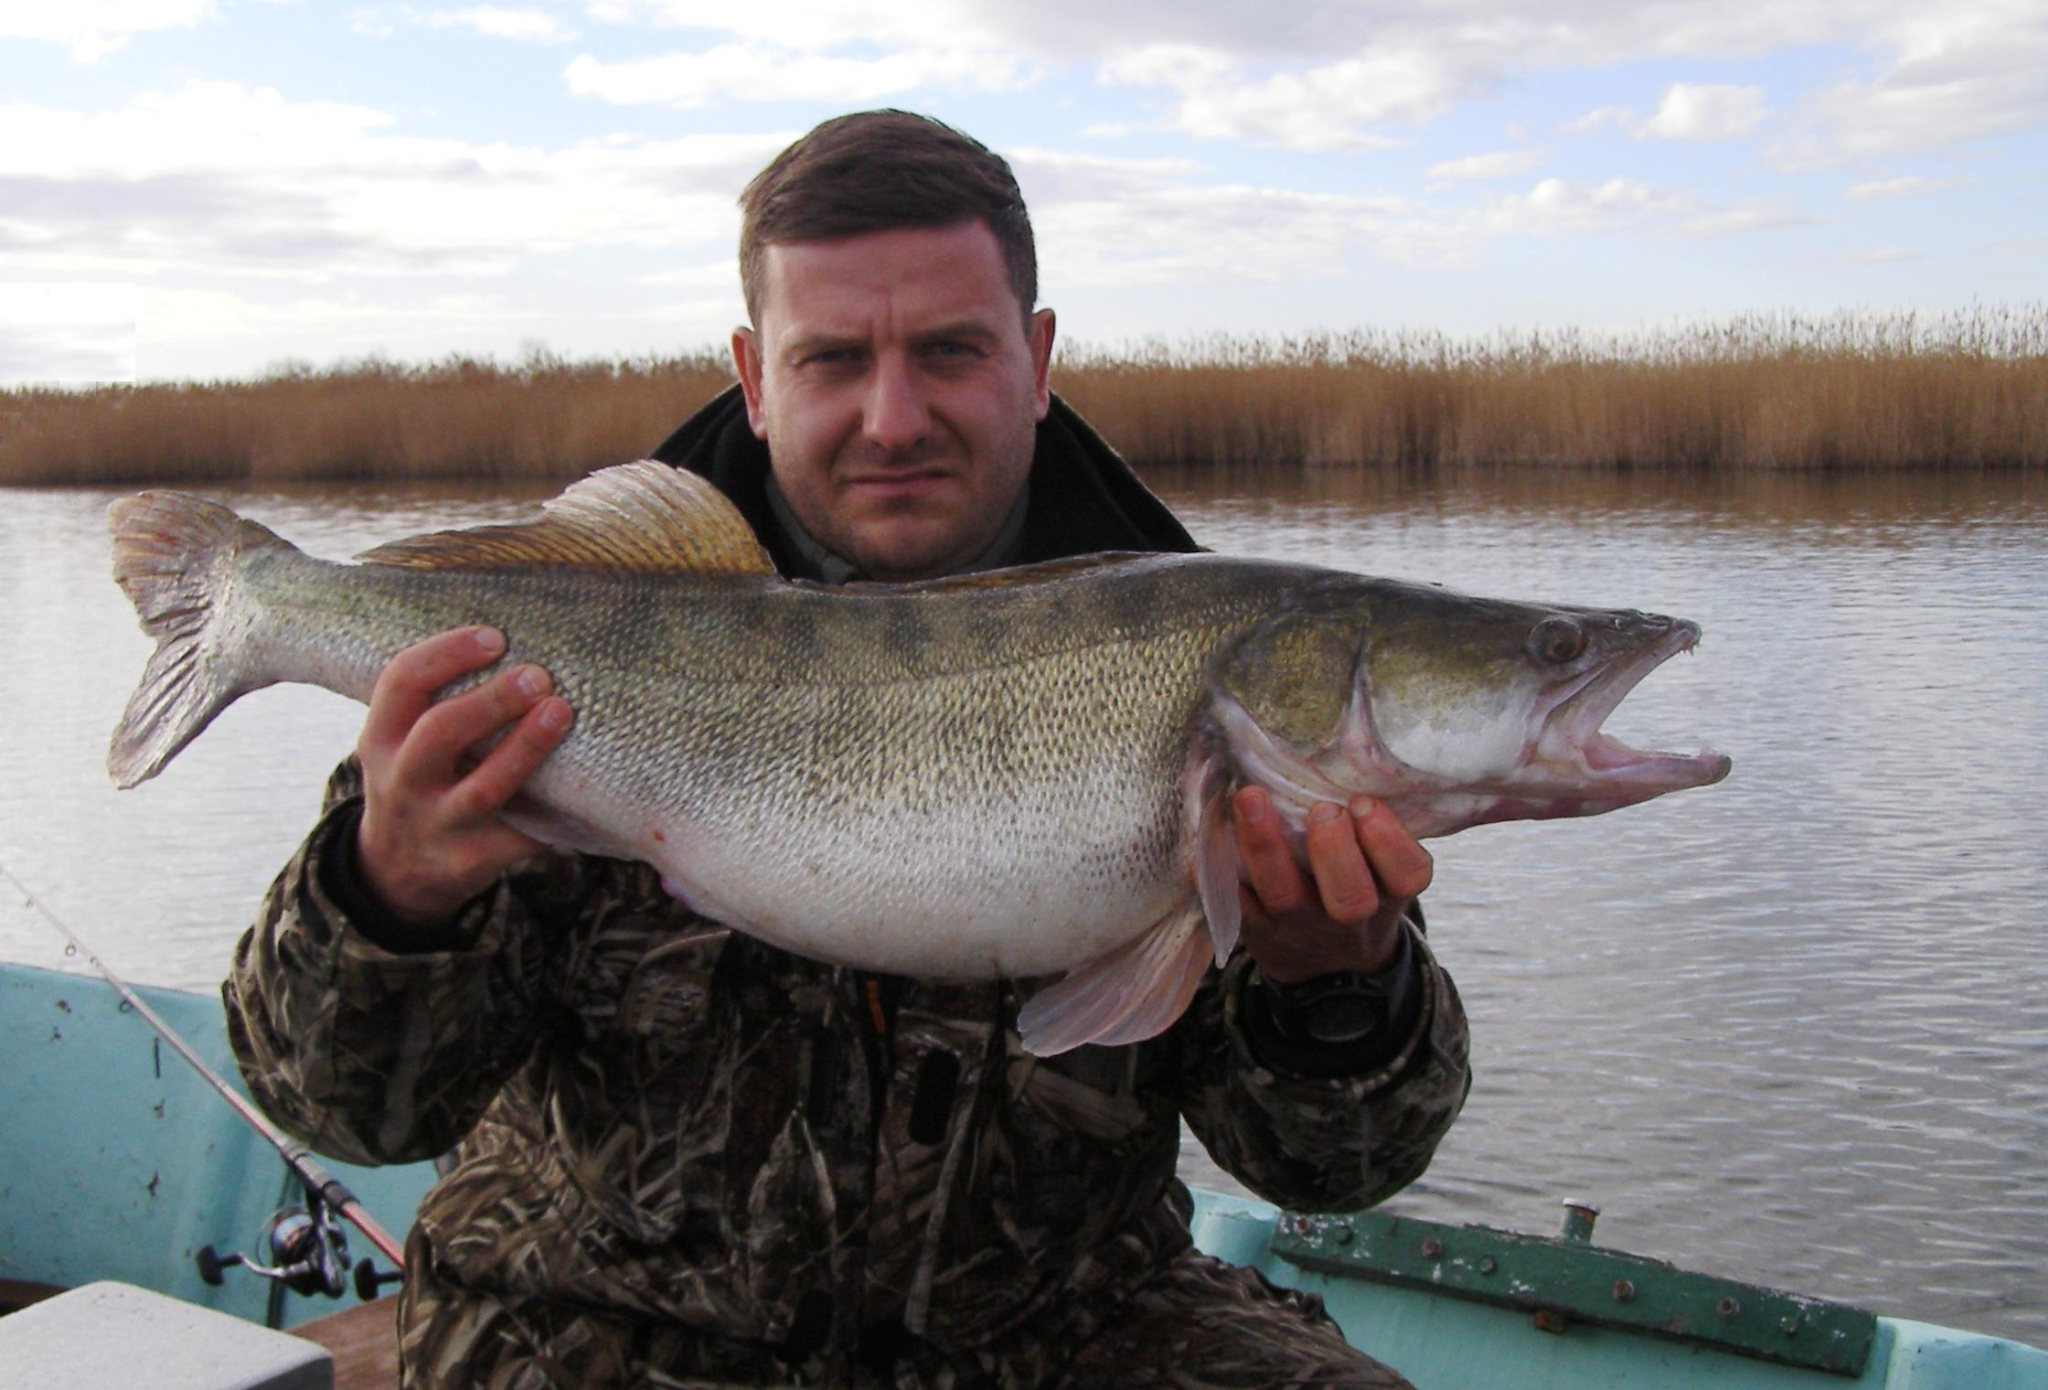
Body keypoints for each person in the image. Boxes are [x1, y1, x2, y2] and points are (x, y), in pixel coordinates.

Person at [224, 110, 1472, 1389]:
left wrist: (1337, 987)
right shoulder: (564, 640)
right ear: (754, 378)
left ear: (1036, 360)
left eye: (949, 350)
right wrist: (388, 891)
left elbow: (1334, 1167)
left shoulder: (1219, 662)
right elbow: (340, 1110)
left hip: (1054, 1336)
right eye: (831, 359)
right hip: (591, 1325)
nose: (892, 419)